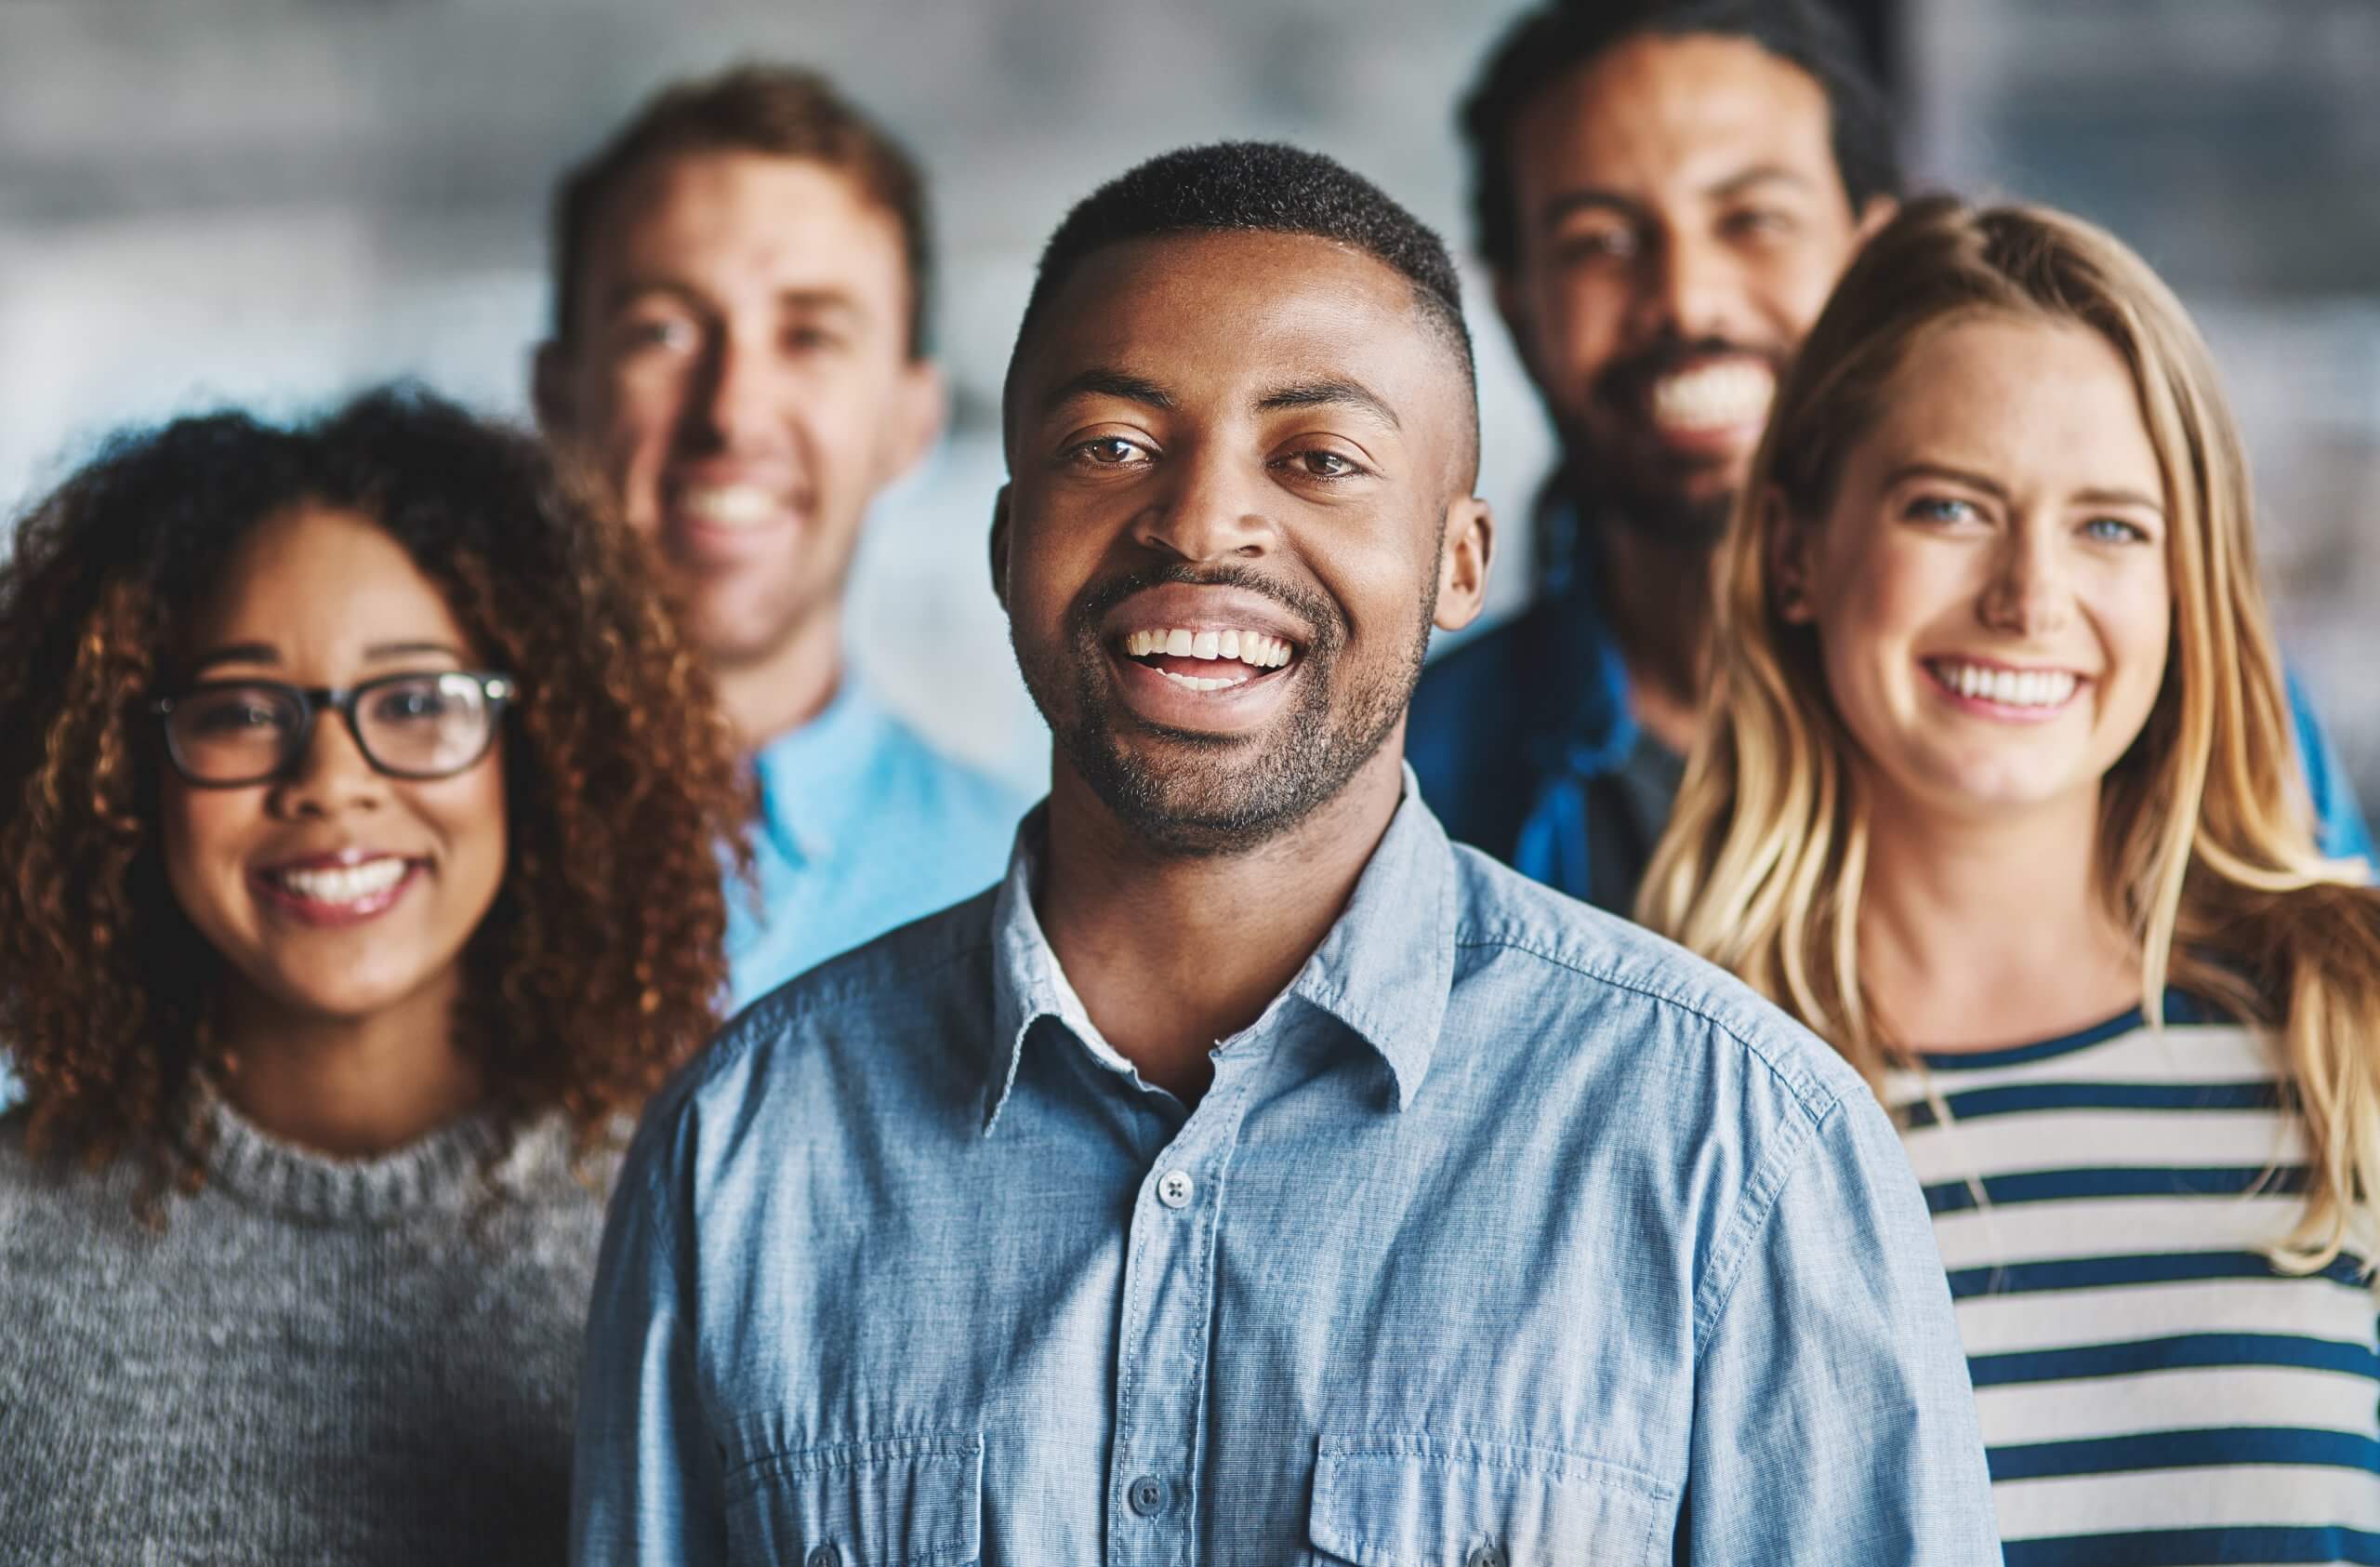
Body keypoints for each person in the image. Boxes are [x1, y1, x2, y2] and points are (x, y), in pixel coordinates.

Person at [572, 141, 1999, 1564]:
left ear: (1459, 560)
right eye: (1112, 446)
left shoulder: (1735, 1151)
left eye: (1319, 458)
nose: (1201, 521)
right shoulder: (739, 1152)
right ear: (1009, 541)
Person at [1645, 197, 2380, 1563]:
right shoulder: (1666, 1088)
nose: (2031, 595)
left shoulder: (2354, 1011)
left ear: (2186, 582)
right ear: (1798, 552)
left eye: (2110, 528)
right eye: (1950, 507)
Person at [1408, 0, 2373, 911]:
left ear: (1874, 256)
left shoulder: (2194, 720)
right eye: (1601, 241)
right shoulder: (1417, 780)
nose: (1689, 298)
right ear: (1515, 307)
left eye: (1755, 221)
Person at [0, 390, 746, 1563]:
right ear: (116, 769)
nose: (332, 781)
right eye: (243, 709)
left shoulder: (708, 1221)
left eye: (415, 701)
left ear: (539, 755)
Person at [535, 65, 1028, 1007]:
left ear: (910, 421)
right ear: (557, 396)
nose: (732, 414)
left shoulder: (1034, 899)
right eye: (664, 332)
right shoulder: (397, 862)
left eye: (809, 336)